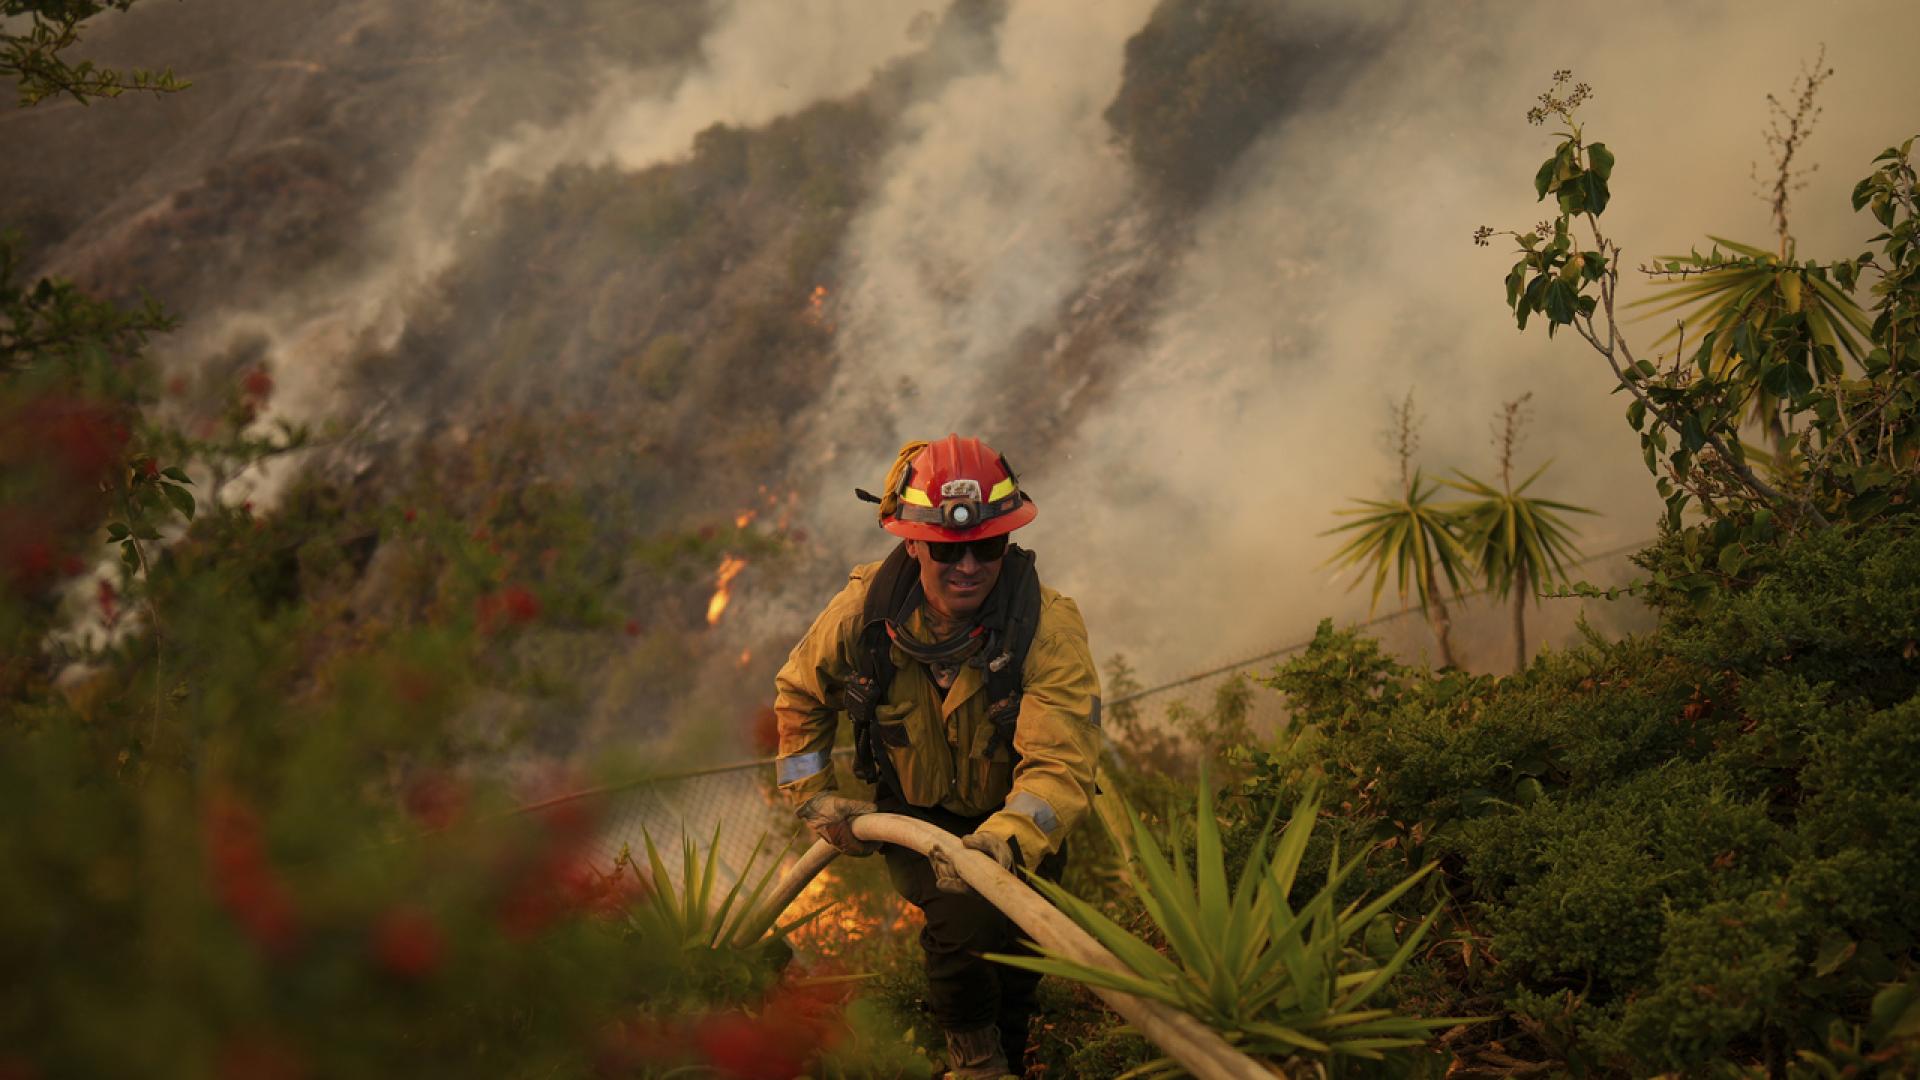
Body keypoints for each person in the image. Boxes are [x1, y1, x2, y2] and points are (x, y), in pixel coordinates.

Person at [772, 435, 1101, 1079]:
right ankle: (974, 1065)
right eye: (951, 549)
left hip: (1017, 828)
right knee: (963, 918)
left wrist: (1005, 840)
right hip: (916, 818)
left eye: (988, 546)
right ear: (914, 542)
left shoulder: (1047, 628)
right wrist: (811, 796)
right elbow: (798, 693)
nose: (970, 567)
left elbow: (1061, 764)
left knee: (1016, 960)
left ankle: (1008, 1051)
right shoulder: (863, 616)